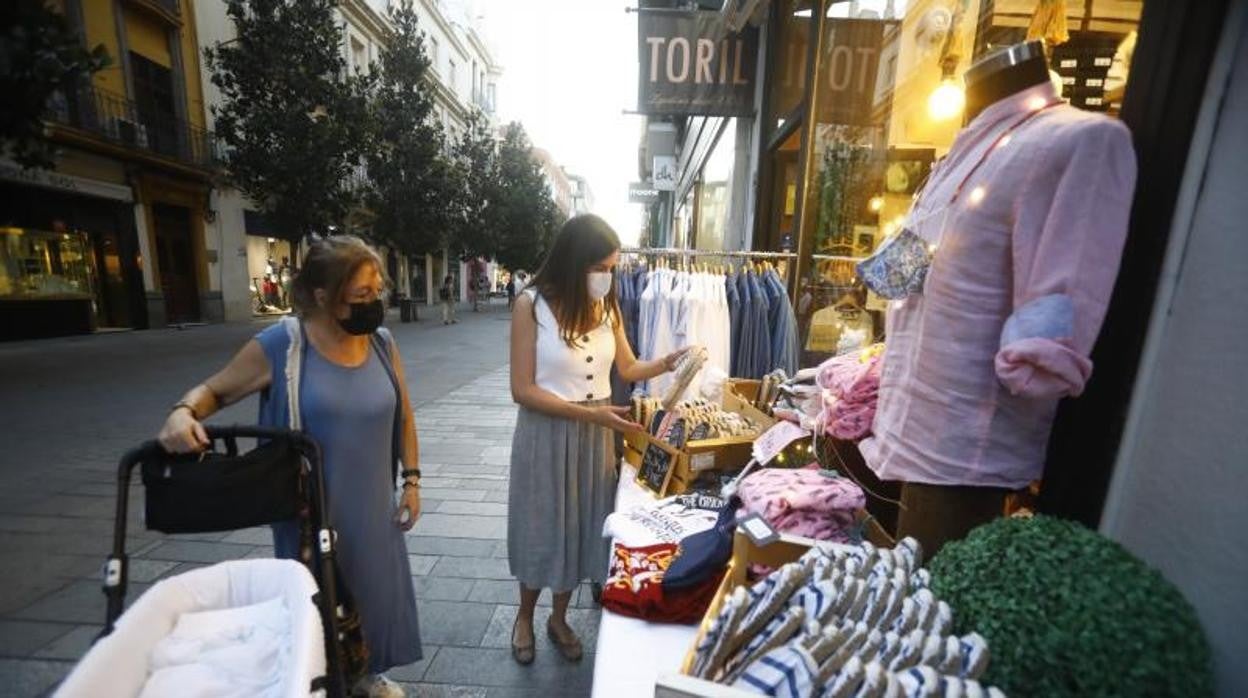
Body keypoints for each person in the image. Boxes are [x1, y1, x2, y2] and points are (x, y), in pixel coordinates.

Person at [157, 236, 423, 698]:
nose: (374, 302)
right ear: (322, 295)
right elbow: (215, 391)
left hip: (374, 507)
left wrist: (412, 481)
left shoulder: (381, 343)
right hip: (309, 509)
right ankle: (317, 679)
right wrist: (183, 412)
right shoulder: (283, 345)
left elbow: (405, 415)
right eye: (361, 294)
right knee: (314, 600)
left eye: (377, 290)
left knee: (376, 594)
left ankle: (366, 674)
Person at [507, 214, 687, 665]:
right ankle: (524, 616)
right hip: (546, 434)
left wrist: (667, 362)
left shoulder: (607, 308)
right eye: (600, 267)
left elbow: (628, 368)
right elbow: (522, 389)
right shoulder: (529, 305)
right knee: (541, 523)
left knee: (581, 526)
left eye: (612, 268)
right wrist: (592, 415)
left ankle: (559, 618)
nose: (608, 276)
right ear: (575, 262)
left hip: (594, 438)